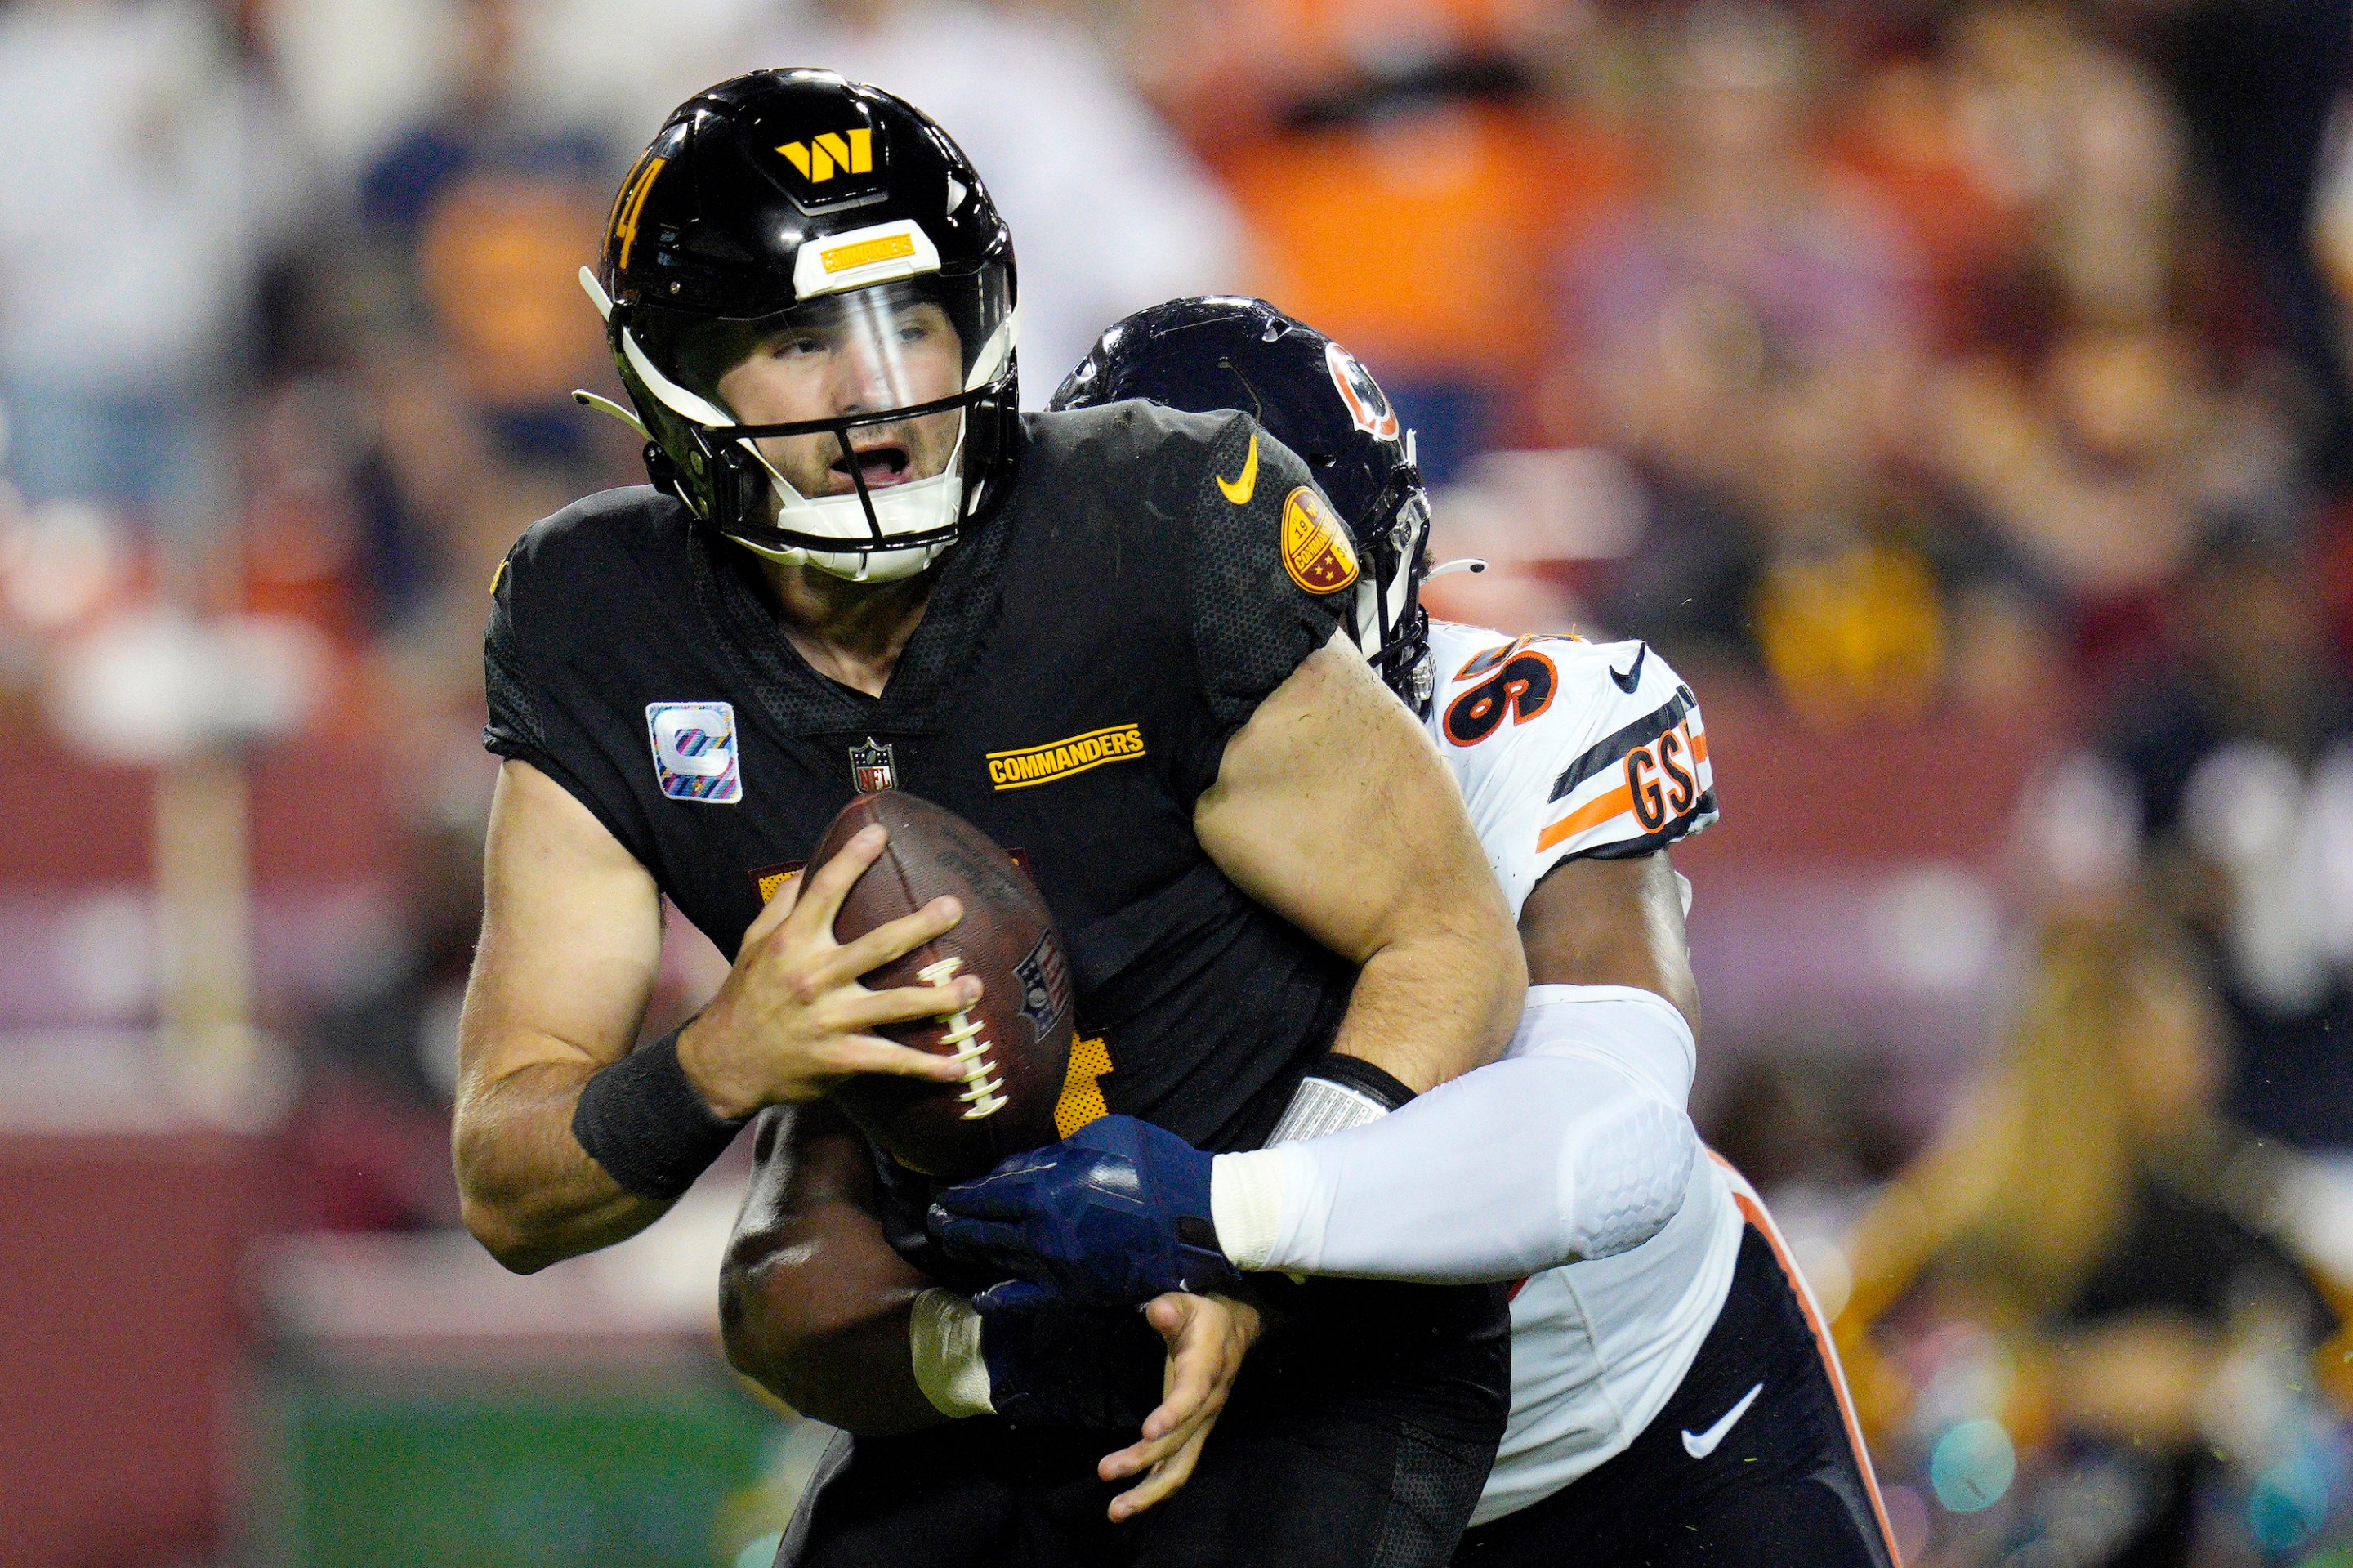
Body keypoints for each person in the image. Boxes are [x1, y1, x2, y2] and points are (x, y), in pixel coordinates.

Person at [451, 72, 1525, 1567]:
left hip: (1315, 1331)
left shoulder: (1149, 518)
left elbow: (1454, 935)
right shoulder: (597, 621)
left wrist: (1261, 1229)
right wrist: (718, 1060)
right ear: (677, 372)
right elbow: (509, 1176)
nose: (871, 388)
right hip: (996, 1337)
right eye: (798, 337)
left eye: (909, 319)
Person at [731, 297, 1904, 1566]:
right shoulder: (987, 796)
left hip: (1626, 1437)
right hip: (1244, 1465)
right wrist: (991, 1356)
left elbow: (1612, 1141)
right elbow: (793, 1261)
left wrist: (1225, 1212)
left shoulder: (1517, 728)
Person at [1837, 908, 2342, 1568]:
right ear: (2098, 1040)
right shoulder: (1964, 1221)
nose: (2210, 1055)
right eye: (2180, 1030)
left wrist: (2225, 1383)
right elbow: (1848, 1382)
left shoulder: (2234, 1208)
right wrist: (2067, 1387)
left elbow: (2332, 1365)